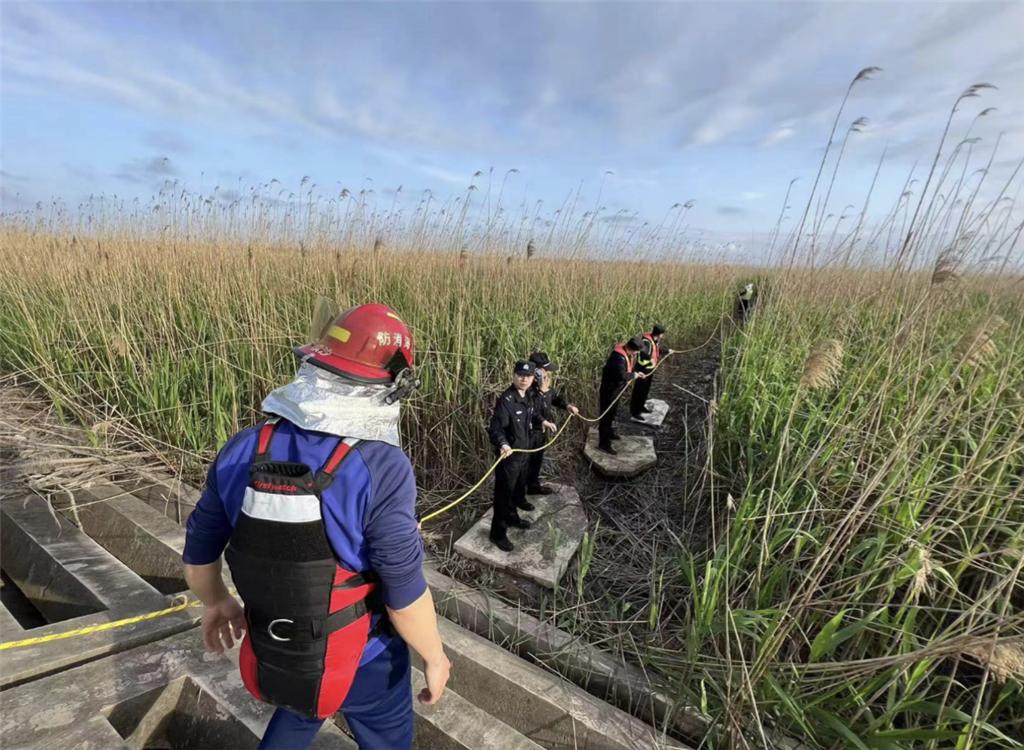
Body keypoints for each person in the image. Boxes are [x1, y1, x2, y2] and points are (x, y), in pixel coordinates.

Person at [182, 303, 449, 750]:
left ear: (315, 364)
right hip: (365, 658)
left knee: (302, 707)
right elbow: (403, 594)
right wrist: (435, 656)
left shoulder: (246, 445)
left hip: (277, 647)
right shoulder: (382, 465)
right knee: (385, 734)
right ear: (388, 387)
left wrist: (217, 603)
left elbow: (198, 553)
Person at [487, 360, 545, 552]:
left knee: (517, 490)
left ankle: (513, 518)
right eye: (520, 375)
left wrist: (542, 422)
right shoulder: (507, 400)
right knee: (504, 495)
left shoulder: (528, 395)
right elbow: (496, 428)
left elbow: (533, 414)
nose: (524, 379)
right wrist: (503, 444)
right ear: (513, 376)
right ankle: (498, 534)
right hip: (510, 457)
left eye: (527, 376)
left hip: (524, 454)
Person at [526, 352, 580, 495]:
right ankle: (519, 493)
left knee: (537, 460)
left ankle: (533, 486)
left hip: (541, 431)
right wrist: (541, 392)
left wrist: (567, 406)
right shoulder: (526, 387)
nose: (547, 373)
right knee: (526, 462)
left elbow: (554, 397)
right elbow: (531, 410)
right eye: (545, 369)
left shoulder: (544, 383)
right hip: (529, 432)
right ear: (536, 370)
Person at [597, 337, 643, 455]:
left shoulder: (626, 353)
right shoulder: (618, 358)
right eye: (636, 352)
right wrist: (635, 375)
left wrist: (636, 373)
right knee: (606, 416)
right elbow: (622, 375)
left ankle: (609, 432)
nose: (636, 354)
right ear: (631, 349)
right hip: (609, 391)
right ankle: (603, 443)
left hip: (616, 390)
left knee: (612, 413)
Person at [630, 325, 666, 422]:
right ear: (659, 334)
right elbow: (642, 352)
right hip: (643, 369)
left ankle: (641, 407)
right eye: (662, 334)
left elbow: (656, 351)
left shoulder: (655, 340)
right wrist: (650, 359)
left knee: (645, 390)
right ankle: (635, 411)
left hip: (649, 370)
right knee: (638, 391)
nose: (663, 335)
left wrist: (667, 351)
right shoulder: (647, 341)